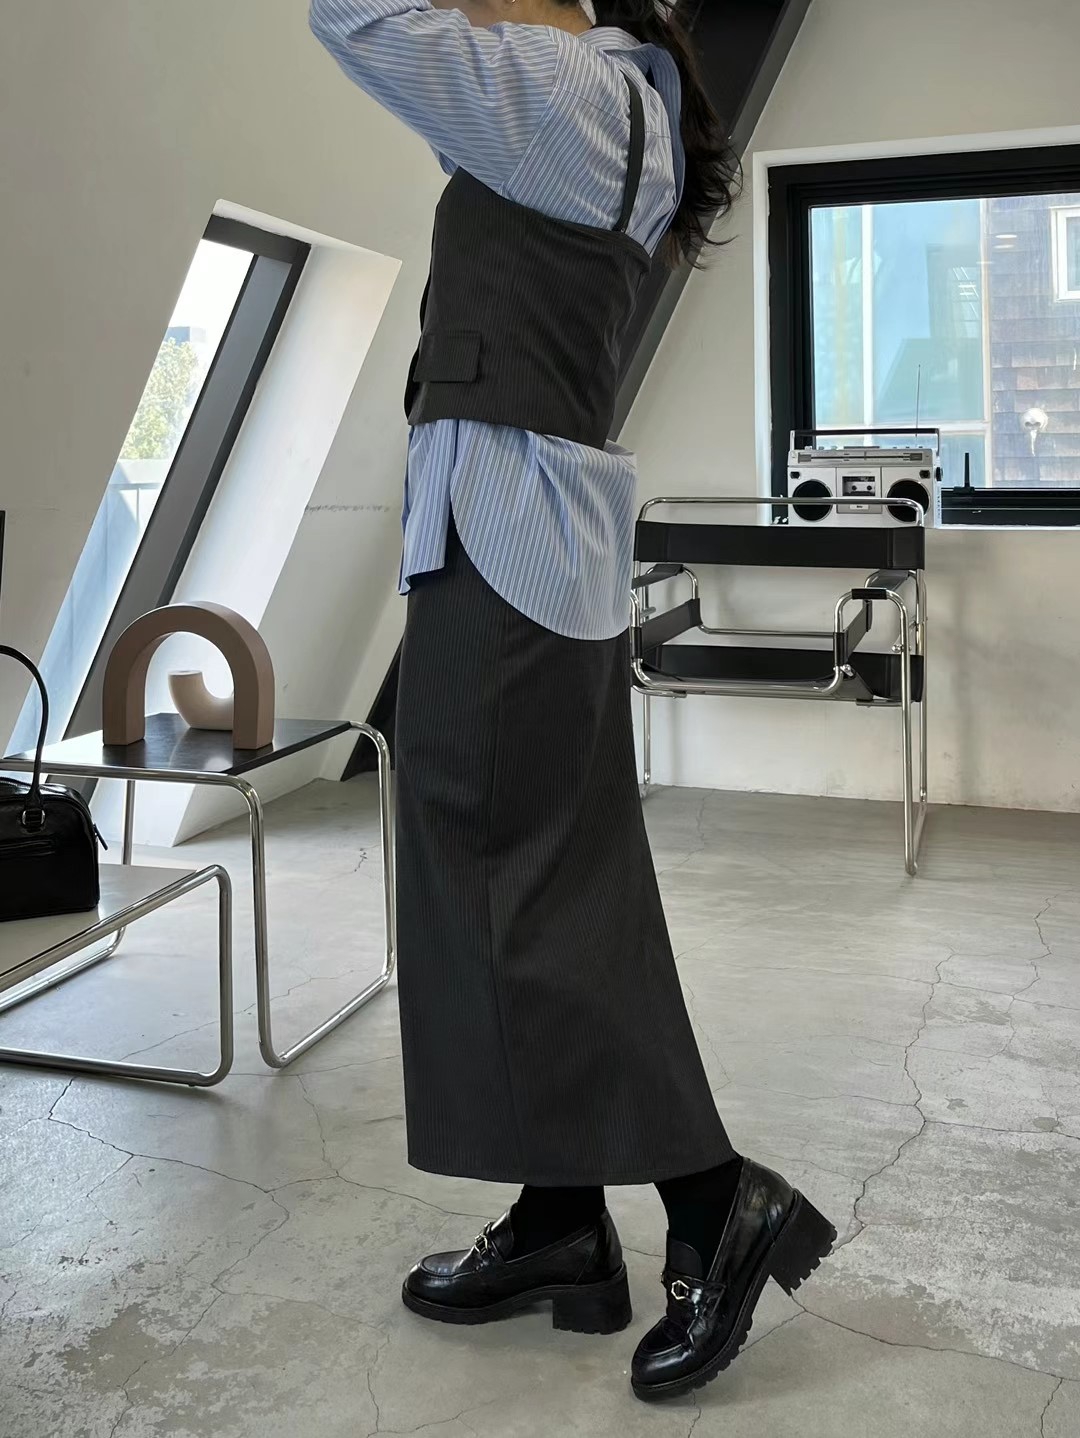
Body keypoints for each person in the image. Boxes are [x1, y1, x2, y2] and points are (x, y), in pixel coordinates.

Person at [309, 0, 835, 1402]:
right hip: (511, 536)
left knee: (516, 878)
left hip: (507, 538)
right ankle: (560, 1217)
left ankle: (714, 1195)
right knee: (528, 869)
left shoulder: (563, 90)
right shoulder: (602, 98)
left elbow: (352, 18)